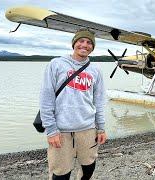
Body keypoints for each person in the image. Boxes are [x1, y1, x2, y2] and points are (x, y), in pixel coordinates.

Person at [40, 28, 107, 179]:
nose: (85, 45)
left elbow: (99, 101)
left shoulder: (95, 70)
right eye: (81, 41)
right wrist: (51, 130)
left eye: (89, 42)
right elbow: (46, 98)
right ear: (74, 44)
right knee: (60, 173)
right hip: (61, 131)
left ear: (93, 47)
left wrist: (101, 128)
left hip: (88, 129)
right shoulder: (56, 64)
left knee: (88, 168)